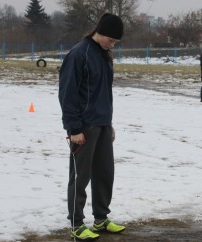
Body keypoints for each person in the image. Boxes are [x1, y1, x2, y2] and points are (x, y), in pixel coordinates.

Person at [58, 13, 126, 241]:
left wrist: (109, 124)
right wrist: (73, 128)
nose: (113, 45)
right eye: (112, 40)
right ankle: (77, 224)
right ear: (102, 32)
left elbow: (104, 94)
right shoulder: (79, 54)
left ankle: (101, 218)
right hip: (84, 127)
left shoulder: (105, 56)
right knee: (80, 177)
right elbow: (67, 94)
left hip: (103, 125)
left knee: (105, 174)